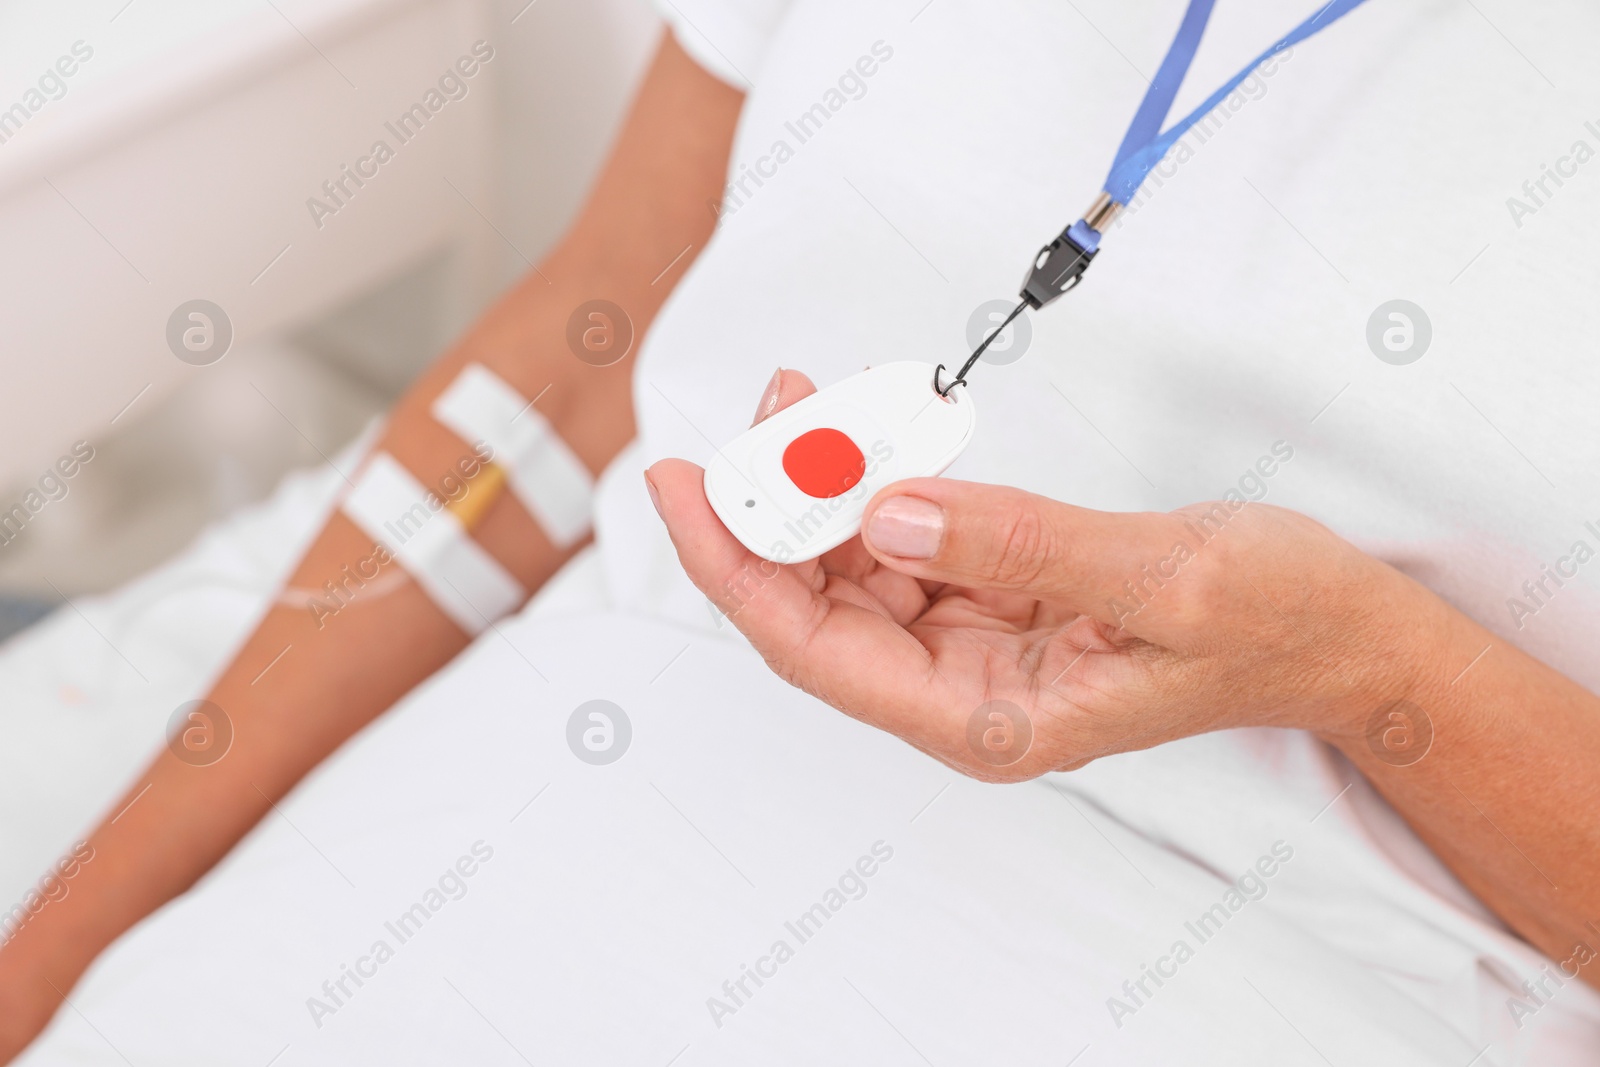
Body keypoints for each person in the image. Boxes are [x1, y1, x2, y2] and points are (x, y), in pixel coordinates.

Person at [3, 1, 1599, 1062]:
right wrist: (57, 948)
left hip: (1298, 971)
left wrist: (1363, 672)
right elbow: (569, 372)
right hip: (545, 808)